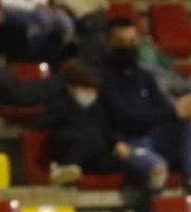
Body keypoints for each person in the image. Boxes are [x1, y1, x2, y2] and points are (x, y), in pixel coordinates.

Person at [99, 18, 191, 211]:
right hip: (127, 144)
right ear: (108, 44)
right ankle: (146, 210)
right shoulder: (101, 77)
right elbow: (124, 118)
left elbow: (162, 107)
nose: (129, 47)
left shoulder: (145, 76)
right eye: (122, 43)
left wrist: (184, 108)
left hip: (153, 138)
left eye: (132, 42)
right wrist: (172, 112)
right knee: (157, 168)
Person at [37, 59, 125, 187]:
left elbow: (109, 129)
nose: (89, 93)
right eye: (84, 88)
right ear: (70, 87)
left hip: (96, 157)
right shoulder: (59, 104)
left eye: (93, 88)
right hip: (68, 149)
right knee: (91, 138)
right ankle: (63, 168)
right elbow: (43, 124)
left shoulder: (98, 107)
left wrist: (118, 142)